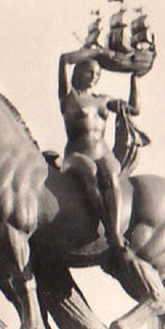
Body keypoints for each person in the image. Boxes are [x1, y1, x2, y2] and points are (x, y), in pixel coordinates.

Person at [57, 47, 146, 263]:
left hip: (102, 150)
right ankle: (106, 224)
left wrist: (134, 76)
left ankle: (115, 232)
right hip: (77, 153)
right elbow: (64, 59)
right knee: (90, 172)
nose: (93, 78)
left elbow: (134, 108)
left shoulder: (103, 100)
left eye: (97, 75)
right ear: (78, 72)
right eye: (89, 72)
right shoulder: (68, 97)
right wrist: (95, 52)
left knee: (111, 174)